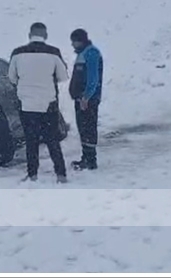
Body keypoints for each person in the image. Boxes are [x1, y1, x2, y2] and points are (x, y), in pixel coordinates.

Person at [9, 22, 68, 183]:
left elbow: (12, 78)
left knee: (31, 141)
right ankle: (61, 174)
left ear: (29, 35)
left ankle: (32, 174)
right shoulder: (54, 53)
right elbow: (63, 77)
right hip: (48, 103)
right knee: (52, 140)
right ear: (46, 36)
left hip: (26, 104)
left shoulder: (17, 53)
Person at [68, 29, 102, 171]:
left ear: (80, 40)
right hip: (80, 98)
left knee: (88, 128)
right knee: (83, 128)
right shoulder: (82, 54)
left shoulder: (91, 53)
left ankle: (91, 160)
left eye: (74, 41)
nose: (72, 44)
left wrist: (86, 97)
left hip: (87, 99)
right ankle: (86, 157)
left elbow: (93, 78)